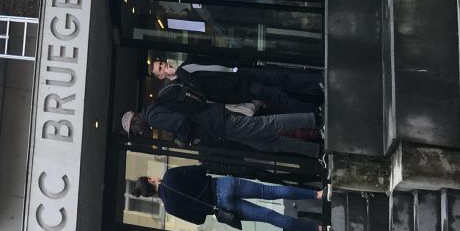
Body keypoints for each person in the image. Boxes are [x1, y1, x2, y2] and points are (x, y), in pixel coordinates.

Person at [130, 165, 325, 231]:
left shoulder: (170, 207)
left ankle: (318, 229)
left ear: (150, 194)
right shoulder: (171, 175)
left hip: (221, 205)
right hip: (222, 185)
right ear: (151, 180)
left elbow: (198, 219)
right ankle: (317, 195)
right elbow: (200, 170)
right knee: (271, 191)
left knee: (269, 217)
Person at [121, 96, 322, 158]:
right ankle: (315, 150)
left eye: (135, 130)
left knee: (268, 126)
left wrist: (183, 141)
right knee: (269, 143)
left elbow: (181, 123)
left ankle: (313, 119)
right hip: (217, 120)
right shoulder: (154, 106)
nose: (139, 132)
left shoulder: (154, 117)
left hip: (218, 124)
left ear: (135, 120)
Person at [150, 57, 322, 115]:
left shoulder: (186, 64)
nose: (164, 66)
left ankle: (316, 83)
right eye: (160, 68)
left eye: (162, 63)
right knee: (277, 96)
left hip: (237, 73)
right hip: (237, 88)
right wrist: (179, 72)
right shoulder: (180, 85)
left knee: (279, 77)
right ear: (161, 76)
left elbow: (212, 62)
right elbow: (201, 88)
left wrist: (236, 65)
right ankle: (314, 110)